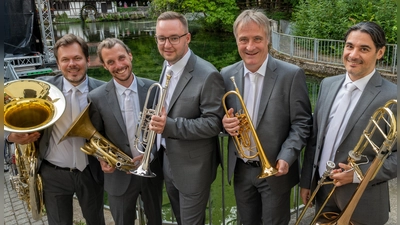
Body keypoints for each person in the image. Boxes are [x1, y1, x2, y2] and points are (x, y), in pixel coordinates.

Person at [299, 21, 397, 225]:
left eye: (364, 49)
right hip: (322, 192)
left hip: (364, 200)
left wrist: (358, 174)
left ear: (380, 53)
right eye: (350, 46)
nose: (353, 55)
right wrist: (307, 180)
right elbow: (315, 139)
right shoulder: (327, 84)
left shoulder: (394, 96)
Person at [221, 9, 312, 225]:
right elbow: (219, 118)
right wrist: (224, 124)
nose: (250, 47)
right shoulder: (226, 74)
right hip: (242, 170)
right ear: (236, 40)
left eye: (257, 39)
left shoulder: (291, 74)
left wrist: (287, 155)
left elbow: (302, 123)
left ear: (268, 40)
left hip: (276, 172)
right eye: (244, 40)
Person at [6, 33, 106, 225]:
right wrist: (10, 136)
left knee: (96, 221)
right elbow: (7, 114)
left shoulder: (103, 89)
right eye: (65, 60)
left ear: (87, 59)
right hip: (53, 174)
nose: (72, 64)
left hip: (91, 172)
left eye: (77, 58)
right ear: (58, 65)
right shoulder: (42, 89)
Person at [149, 11, 225, 225]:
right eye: (161, 38)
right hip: (168, 160)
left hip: (194, 168)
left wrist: (169, 126)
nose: (167, 45)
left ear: (187, 38)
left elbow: (213, 123)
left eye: (174, 38)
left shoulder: (208, 74)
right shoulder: (168, 65)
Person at [88, 38, 163, 225]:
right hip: (118, 177)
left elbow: (162, 131)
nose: (119, 65)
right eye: (110, 62)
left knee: (156, 221)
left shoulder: (154, 89)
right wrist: (102, 158)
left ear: (130, 55)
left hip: (151, 172)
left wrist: (150, 154)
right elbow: (95, 136)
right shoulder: (96, 97)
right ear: (104, 66)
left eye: (121, 58)